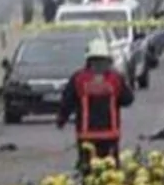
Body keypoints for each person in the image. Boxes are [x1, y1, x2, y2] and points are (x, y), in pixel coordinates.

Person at [57, 37, 135, 173]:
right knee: (111, 171)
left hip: (86, 135)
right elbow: (128, 99)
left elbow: (67, 102)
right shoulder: (115, 79)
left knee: (87, 169)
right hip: (110, 135)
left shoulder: (79, 78)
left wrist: (61, 120)